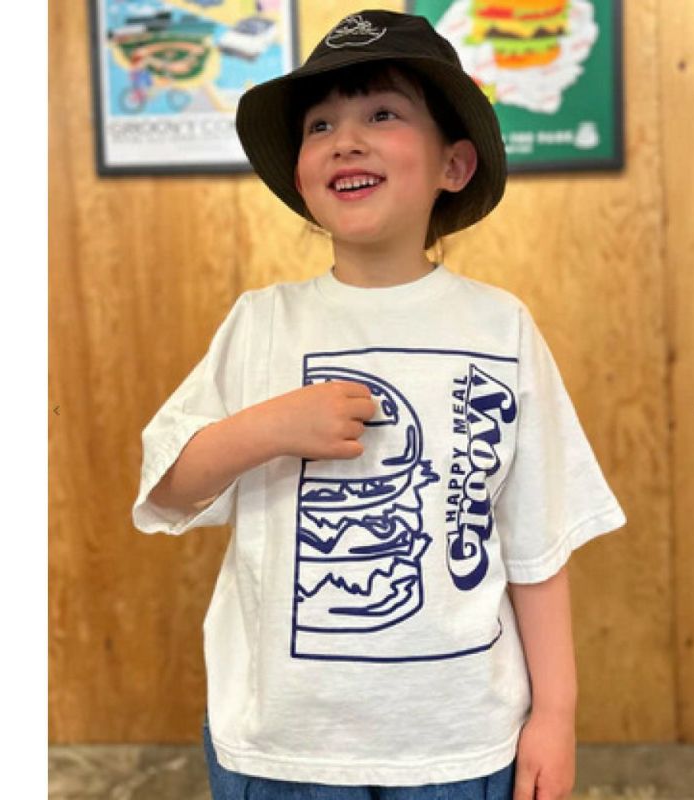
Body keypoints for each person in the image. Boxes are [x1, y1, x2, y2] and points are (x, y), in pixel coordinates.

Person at [132, 9, 626, 800]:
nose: (346, 140)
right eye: (321, 125)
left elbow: (536, 544)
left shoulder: (500, 327)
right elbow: (168, 485)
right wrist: (268, 427)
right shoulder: (263, 322)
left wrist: (556, 714)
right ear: (301, 178)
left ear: (453, 164)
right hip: (283, 748)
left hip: (461, 744)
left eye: (383, 114)